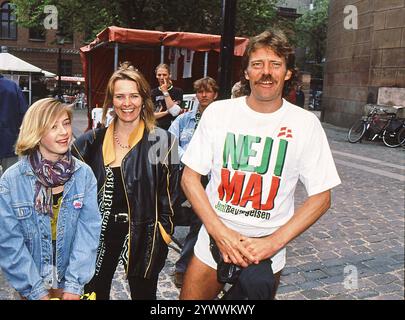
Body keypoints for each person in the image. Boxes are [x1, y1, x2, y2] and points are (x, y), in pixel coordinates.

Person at [179, 29, 341, 300]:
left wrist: (271, 244)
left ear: (287, 73)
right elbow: (189, 177)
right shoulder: (219, 113)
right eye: (258, 64)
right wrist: (220, 233)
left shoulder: (305, 124)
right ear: (246, 73)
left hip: (266, 251)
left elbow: (322, 197)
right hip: (213, 242)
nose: (266, 72)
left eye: (275, 64)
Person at [72, 62, 180, 300]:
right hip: (97, 234)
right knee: (93, 295)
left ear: (144, 98)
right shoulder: (91, 142)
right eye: (120, 96)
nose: (127, 103)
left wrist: (164, 234)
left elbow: (170, 197)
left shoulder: (161, 140)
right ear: (111, 100)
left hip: (144, 233)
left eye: (134, 95)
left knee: (144, 296)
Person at [0, 98, 101, 300]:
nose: (64, 132)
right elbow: (10, 242)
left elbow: (88, 231)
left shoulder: (84, 174)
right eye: (53, 126)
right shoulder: (11, 180)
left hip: (70, 275)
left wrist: (73, 285)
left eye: (65, 123)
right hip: (31, 277)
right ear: (36, 132)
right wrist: (36, 291)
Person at [168, 77, 219, 288]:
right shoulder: (183, 119)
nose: (204, 95)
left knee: (199, 223)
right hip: (181, 175)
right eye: (200, 91)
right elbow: (167, 144)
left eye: (208, 91)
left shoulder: (220, 122)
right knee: (165, 215)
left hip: (207, 179)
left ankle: (182, 267)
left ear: (215, 94)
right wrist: (189, 157)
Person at [0, 74, 28, 175]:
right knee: (11, 179)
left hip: (9, 138)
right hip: (9, 140)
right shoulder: (12, 87)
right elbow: (24, 115)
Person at [151, 63, 184, 130]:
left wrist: (165, 92)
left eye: (164, 75)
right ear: (156, 76)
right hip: (156, 127)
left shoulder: (178, 91)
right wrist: (167, 112)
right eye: (159, 75)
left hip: (172, 127)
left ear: (170, 75)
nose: (162, 77)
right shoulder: (152, 92)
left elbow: (175, 112)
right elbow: (150, 116)